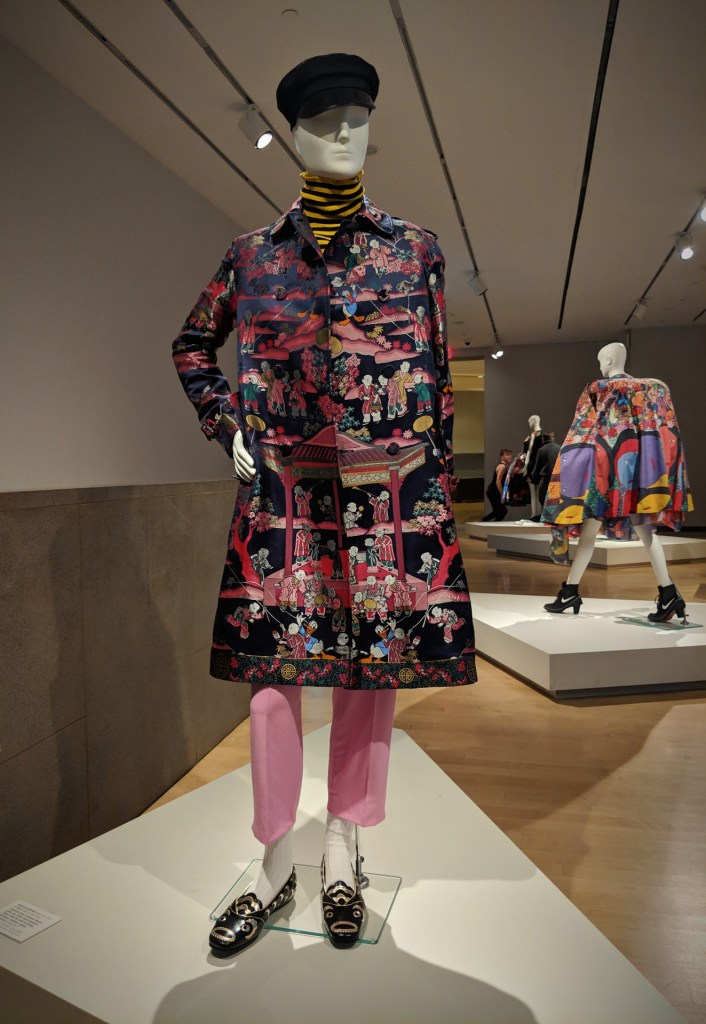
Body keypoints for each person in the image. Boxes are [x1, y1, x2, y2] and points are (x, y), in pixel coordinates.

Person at [172, 53, 476, 956]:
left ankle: (344, 850)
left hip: (387, 496)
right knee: (273, 682)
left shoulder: (414, 250)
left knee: (370, 679)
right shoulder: (252, 257)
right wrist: (227, 420)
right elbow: (192, 343)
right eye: (324, 119)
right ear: (295, 135)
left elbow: (436, 373)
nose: (345, 132)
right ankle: (274, 862)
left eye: (358, 116)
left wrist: (433, 486)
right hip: (285, 500)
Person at [541, 342, 693, 620]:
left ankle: (571, 592)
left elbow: (581, 432)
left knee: (591, 530)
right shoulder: (651, 388)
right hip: (637, 473)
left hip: (605, 471)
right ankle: (667, 594)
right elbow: (665, 428)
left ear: (609, 360)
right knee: (644, 532)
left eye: (601, 360)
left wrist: (568, 469)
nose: (600, 365)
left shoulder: (597, 388)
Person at [531, 432, 560, 510]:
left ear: (543, 439)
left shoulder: (541, 450)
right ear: (552, 438)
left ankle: (546, 515)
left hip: (545, 479)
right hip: (557, 479)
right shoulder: (559, 449)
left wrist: (533, 478)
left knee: (544, 501)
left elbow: (537, 468)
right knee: (556, 501)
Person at [481, 448, 512, 521]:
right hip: (494, 491)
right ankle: (488, 522)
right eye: (507, 455)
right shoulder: (502, 467)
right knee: (502, 511)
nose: (510, 456)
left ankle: (484, 521)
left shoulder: (504, 467)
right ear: (502, 457)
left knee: (498, 511)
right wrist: (502, 494)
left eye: (510, 455)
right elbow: (498, 481)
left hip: (493, 491)